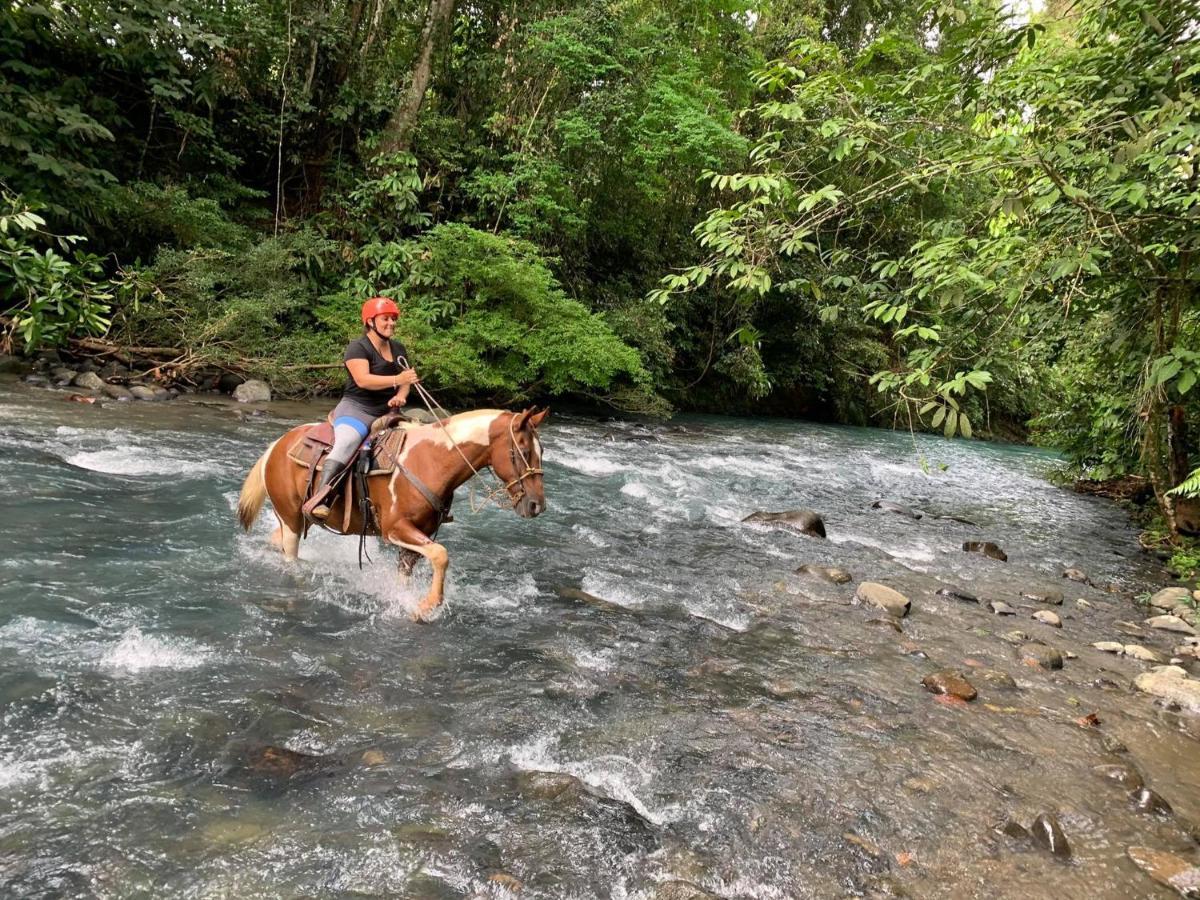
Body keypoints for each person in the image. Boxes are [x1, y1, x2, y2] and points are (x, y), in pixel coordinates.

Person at [303, 296, 420, 521]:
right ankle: (322, 497)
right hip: (357, 409)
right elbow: (363, 380)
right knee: (346, 442)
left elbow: (407, 380)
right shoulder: (357, 348)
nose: (391, 323)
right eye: (385, 319)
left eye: (393, 319)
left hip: (387, 412)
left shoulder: (398, 348)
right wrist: (398, 380)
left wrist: (401, 396)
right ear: (370, 322)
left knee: (417, 441)